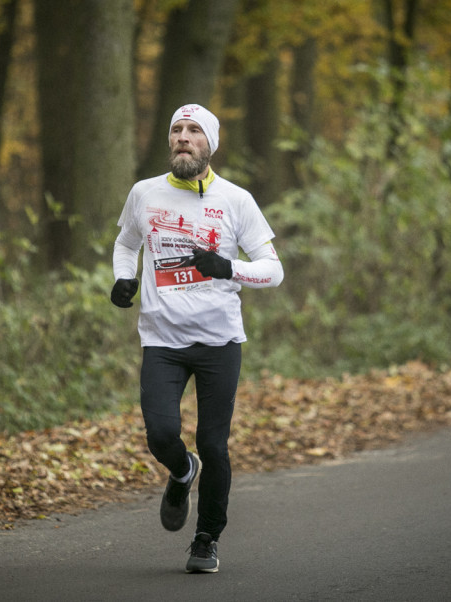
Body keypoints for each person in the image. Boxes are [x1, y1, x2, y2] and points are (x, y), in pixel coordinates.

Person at [111, 103, 284, 573]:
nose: (183, 137)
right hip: (162, 340)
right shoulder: (145, 194)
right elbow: (126, 243)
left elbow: (274, 270)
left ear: (210, 143)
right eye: (176, 130)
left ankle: (206, 539)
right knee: (162, 433)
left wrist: (229, 267)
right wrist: (124, 277)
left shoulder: (235, 200)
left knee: (214, 443)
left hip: (219, 341)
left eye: (193, 131)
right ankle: (182, 471)